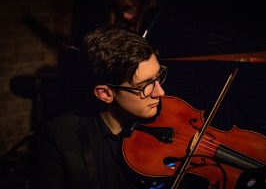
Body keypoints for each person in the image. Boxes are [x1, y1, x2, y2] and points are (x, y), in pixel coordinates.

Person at [32, 25, 167, 189]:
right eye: (145, 86)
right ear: (105, 93)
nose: (160, 92)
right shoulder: (60, 138)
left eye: (158, 77)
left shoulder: (167, 123)